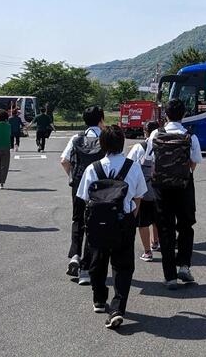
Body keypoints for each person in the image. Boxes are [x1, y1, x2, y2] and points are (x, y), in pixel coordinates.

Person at [76, 125, 146, 329]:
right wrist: (130, 218)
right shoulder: (133, 167)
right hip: (124, 220)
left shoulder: (94, 168)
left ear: (102, 144)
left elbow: (84, 198)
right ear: (122, 143)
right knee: (123, 266)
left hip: (98, 223)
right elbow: (139, 196)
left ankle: (99, 299)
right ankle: (117, 308)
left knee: (98, 261)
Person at [149, 99, 202, 289]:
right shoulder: (190, 136)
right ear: (184, 115)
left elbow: (150, 158)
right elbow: (194, 162)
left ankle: (170, 276)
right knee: (186, 226)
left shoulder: (156, 133)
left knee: (165, 229)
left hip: (161, 188)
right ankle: (184, 266)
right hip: (184, 186)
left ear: (166, 115)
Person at [60, 105, 106, 285]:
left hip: (79, 185)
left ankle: (75, 255)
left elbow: (64, 161)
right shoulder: (106, 138)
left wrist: (73, 177)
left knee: (78, 220)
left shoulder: (77, 138)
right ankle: (87, 268)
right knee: (96, 224)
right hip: (101, 188)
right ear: (101, 119)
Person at [126, 120, 160, 262]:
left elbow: (128, 164)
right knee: (157, 219)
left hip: (143, 191)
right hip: (159, 190)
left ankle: (147, 252)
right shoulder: (163, 146)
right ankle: (155, 242)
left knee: (143, 222)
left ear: (145, 132)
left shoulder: (139, 147)